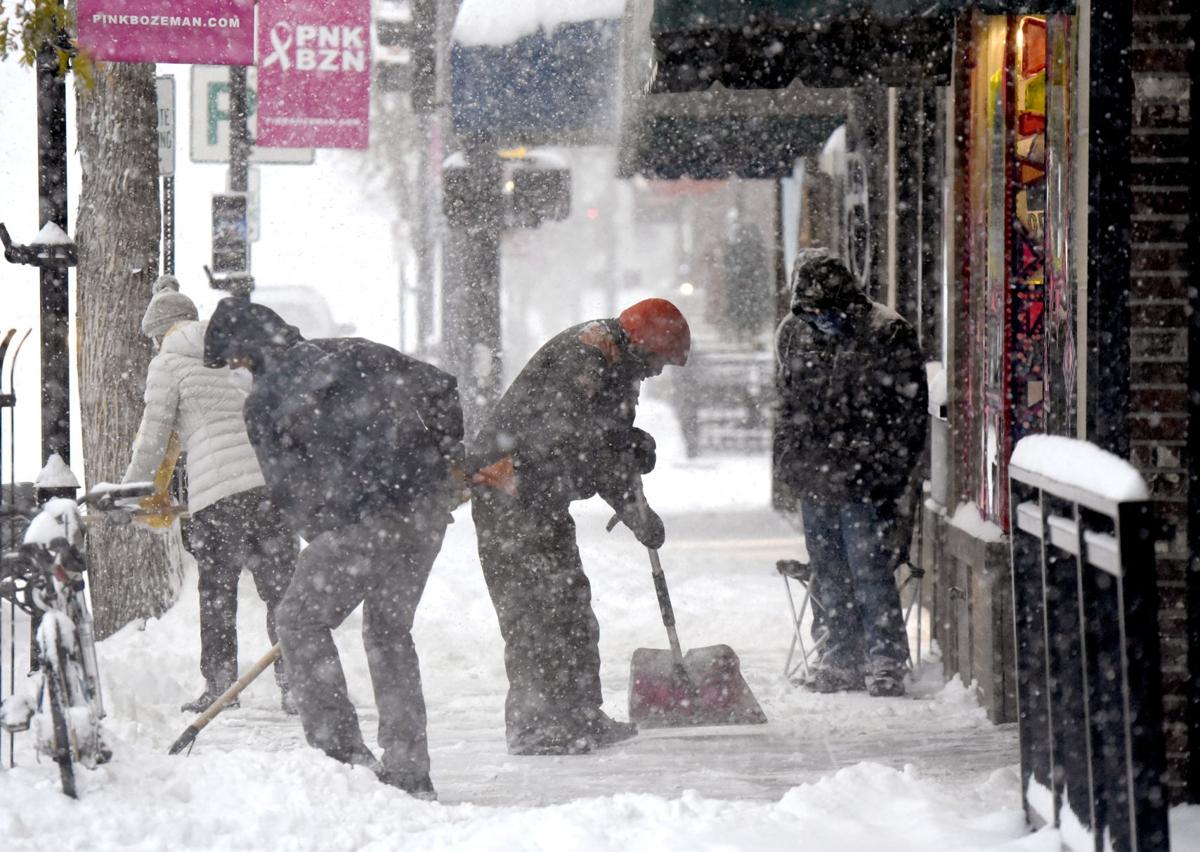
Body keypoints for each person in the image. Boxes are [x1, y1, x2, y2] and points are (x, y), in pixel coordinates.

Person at [204, 296, 464, 799]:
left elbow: (288, 492)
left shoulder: (264, 403)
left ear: (250, 350)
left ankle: (342, 758)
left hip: (360, 525)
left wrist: (327, 534)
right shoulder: (358, 350)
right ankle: (410, 770)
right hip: (426, 511)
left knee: (299, 619)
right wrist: (445, 458)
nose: (237, 369)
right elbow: (442, 388)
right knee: (390, 632)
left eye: (235, 358)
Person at [469, 298, 690, 755]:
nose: (656, 372)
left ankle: (579, 715)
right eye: (657, 361)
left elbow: (608, 458)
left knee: (570, 607)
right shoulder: (586, 352)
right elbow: (568, 434)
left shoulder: (622, 370)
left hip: (542, 499)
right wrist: (625, 443)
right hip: (508, 492)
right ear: (640, 343)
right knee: (533, 615)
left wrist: (637, 511)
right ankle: (533, 726)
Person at [122, 275, 298, 715]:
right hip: (267, 486)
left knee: (217, 592)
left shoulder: (167, 364)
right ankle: (296, 682)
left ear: (161, 330)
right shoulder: (229, 352)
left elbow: (153, 437)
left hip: (218, 494)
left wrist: (131, 489)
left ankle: (221, 688)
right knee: (281, 589)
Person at [774, 255, 927, 697]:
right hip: (815, 478)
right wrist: (790, 460)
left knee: (870, 571)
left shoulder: (887, 332)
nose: (820, 320)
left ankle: (884, 659)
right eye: (811, 312)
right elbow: (787, 403)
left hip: (867, 482)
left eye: (827, 311)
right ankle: (839, 656)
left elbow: (907, 416)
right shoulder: (793, 334)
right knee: (828, 573)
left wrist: (883, 471)